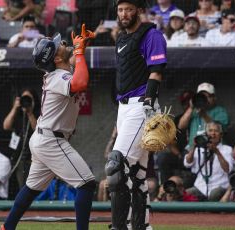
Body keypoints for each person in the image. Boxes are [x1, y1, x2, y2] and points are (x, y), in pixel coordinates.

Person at [0, 26, 96, 230]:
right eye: (58, 46)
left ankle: (6, 228)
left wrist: (81, 47)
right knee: (86, 183)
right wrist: (78, 52)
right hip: (52, 140)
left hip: (43, 137)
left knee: (32, 188)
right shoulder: (58, 77)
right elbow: (80, 83)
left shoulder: (59, 71)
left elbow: (74, 65)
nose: (62, 43)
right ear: (56, 59)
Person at [105, 0, 167, 229]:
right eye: (120, 9)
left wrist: (150, 103)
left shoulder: (151, 35)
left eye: (129, 9)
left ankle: (119, 227)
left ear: (138, 10)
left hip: (142, 105)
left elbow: (156, 71)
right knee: (137, 173)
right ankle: (142, 226)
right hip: (124, 107)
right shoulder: (121, 38)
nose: (124, 13)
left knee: (116, 166)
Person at [184, 121, 234, 201]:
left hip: (219, 186)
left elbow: (227, 169)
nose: (213, 134)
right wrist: (194, 146)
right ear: (206, 134)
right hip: (201, 186)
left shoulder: (227, 149)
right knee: (185, 195)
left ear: (221, 135)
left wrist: (217, 152)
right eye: (210, 131)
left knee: (214, 195)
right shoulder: (199, 149)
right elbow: (187, 163)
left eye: (216, 131)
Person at [3, 88, 40, 189]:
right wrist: (15, 107)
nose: (26, 101)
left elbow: (37, 130)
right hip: (17, 158)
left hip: (31, 159)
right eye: (24, 98)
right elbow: (6, 126)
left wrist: (30, 113)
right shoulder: (17, 114)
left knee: (28, 187)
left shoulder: (38, 114)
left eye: (29, 98)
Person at [178, 82, 229, 148]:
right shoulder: (193, 110)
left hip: (214, 149)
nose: (204, 99)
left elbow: (220, 129)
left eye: (206, 96)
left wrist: (203, 115)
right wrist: (191, 107)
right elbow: (181, 126)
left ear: (214, 97)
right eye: (202, 96)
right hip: (193, 149)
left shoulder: (220, 111)